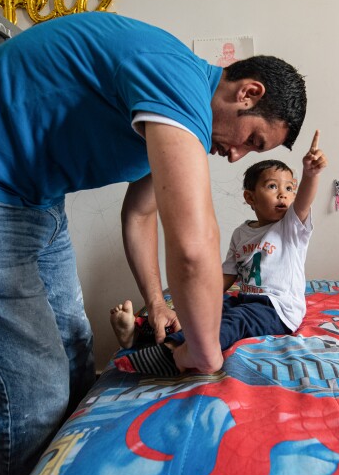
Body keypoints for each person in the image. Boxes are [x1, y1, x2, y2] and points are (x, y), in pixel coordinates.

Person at [0, 12, 307, 475]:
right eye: (251, 140)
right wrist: (205, 356)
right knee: (35, 393)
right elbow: (193, 243)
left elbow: (141, 214)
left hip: (32, 199)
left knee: (75, 351)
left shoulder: (175, 111)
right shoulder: (174, 76)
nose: (236, 156)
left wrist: (159, 301)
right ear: (247, 93)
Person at [111, 131, 327, 376]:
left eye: (289, 188)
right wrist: (199, 300)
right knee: (208, 312)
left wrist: (311, 174)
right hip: (246, 299)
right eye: (272, 186)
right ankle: (140, 335)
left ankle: (174, 354)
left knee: (236, 321)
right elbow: (226, 277)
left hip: (277, 309)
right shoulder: (241, 233)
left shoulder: (290, 228)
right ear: (250, 197)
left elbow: (303, 203)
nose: (283, 194)